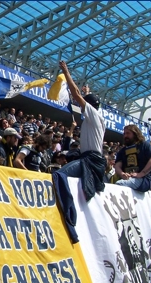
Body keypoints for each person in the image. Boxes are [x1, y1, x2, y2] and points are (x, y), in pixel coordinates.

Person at [56, 61, 107, 201]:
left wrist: (66, 73)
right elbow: (89, 101)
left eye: (85, 102)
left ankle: (63, 202)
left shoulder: (93, 114)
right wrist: (88, 93)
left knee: (58, 175)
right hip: (90, 158)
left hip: (90, 159)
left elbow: (76, 94)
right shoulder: (96, 117)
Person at [114, 125, 151, 192]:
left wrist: (141, 174)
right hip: (128, 179)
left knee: (119, 184)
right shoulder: (122, 151)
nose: (125, 136)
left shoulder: (144, 145)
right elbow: (117, 166)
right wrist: (122, 174)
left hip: (143, 180)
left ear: (135, 134)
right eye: (124, 133)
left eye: (128, 133)